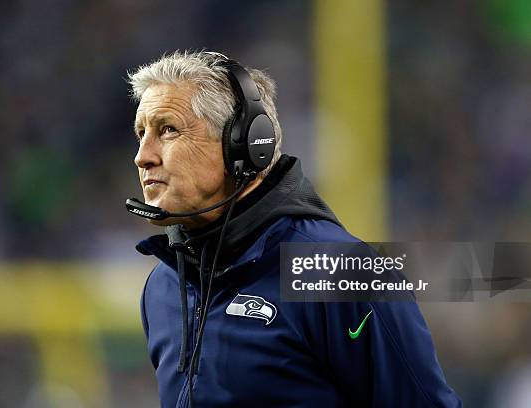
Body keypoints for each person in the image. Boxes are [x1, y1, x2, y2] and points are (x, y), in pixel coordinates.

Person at [127, 50, 461, 407]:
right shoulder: (162, 286)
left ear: (243, 145)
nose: (143, 156)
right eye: (141, 133)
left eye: (168, 130)